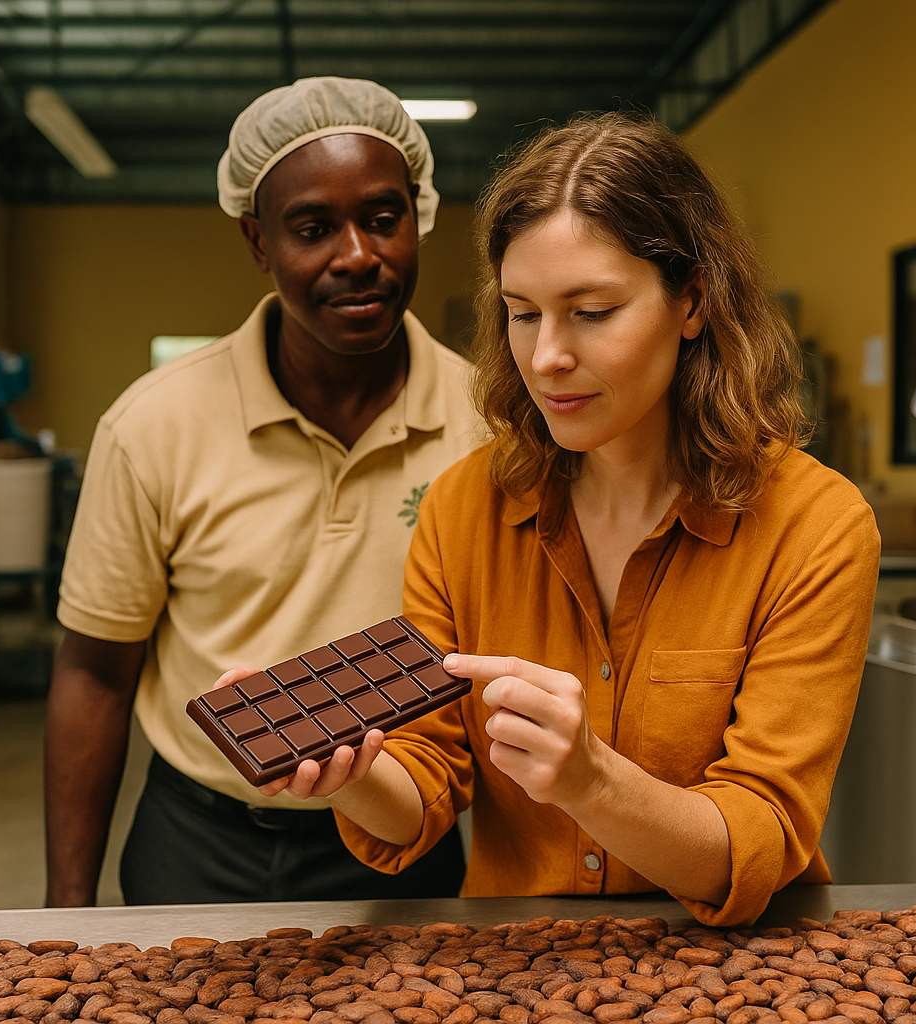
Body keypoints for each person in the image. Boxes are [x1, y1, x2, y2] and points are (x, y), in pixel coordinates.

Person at [239, 111, 881, 926]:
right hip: (520, 962)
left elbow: (762, 833)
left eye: (593, 311)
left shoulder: (815, 526)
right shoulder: (462, 509)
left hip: (733, 966)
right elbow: (427, 775)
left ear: (692, 301)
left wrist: (590, 781)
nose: (546, 357)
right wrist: (353, 771)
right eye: (523, 312)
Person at [45, 77, 480, 907]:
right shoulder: (153, 426)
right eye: (313, 228)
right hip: (200, 838)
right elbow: (95, 673)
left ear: (417, 216)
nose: (357, 255)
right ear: (258, 240)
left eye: (382, 218)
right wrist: (65, 908)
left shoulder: (490, 425)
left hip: (403, 832)